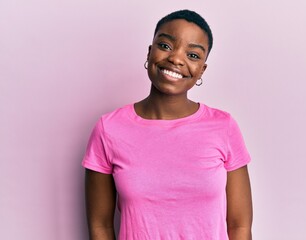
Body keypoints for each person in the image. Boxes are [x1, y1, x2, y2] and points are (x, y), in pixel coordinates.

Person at [82, 9, 253, 240]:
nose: (176, 59)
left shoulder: (224, 127)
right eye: (166, 46)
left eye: (193, 55)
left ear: (201, 69)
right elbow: (100, 226)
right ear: (150, 52)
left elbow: (239, 225)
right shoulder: (109, 129)